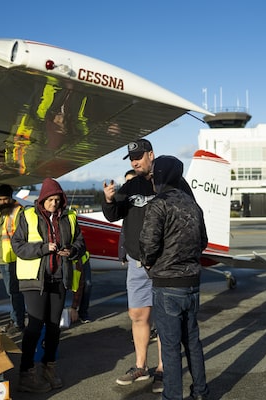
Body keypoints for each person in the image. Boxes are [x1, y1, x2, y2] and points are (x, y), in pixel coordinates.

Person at [140, 155, 210, 400]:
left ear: (160, 176)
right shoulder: (193, 205)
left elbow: (148, 244)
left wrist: (149, 262)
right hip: (192, 283)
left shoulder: (158, 204)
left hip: (167, 284)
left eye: (154, 174)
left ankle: (172, 396)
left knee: (169, 347)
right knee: (192, 341)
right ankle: (200, 392)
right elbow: (203, 241)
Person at [11, 178, 86, 393]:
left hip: (59, 278)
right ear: (42, 199)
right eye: (50, 199)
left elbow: (81, 243)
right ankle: (26, 373)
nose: (54, 203)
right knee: (34, 327)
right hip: (34, 280)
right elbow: (18, 246)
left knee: (54, 327)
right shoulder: (27, 215)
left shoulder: (70, 217)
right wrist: (43, 248)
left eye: (57, 199)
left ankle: (49, 368)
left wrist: (72, 250)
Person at [102, 139, 164, 393]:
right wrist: (108, 200)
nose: (134, 162)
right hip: (137, 264)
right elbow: (113, 214)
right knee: (138, 315)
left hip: (163, 263)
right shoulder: (130, 186)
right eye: (131, 159)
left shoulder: (168, 181)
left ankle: (163, 370)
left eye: (138, 157)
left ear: (151, 154)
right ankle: (141, 366)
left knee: (164, 318)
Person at [0, 184, 26, 333]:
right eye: (0, 199)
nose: (2, 202)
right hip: (2, 257)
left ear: (11, 198)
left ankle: (18, 322)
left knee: (14, 292)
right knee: (11, 291)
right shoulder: (1, 212)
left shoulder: (18, 212)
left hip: (12, 258)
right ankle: (15, 318)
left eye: (5, 199)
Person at [118, 169, 136, 266]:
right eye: (126, 182)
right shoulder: (126, 204)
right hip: (132, 257)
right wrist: (122, 255)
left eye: (131, 181)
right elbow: (124, 231)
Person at [69, 250, 92, 324]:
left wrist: (74, 307)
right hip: (69, 258)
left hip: (81, 257)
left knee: (87, 284)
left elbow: (80, 284)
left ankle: (82, 313)